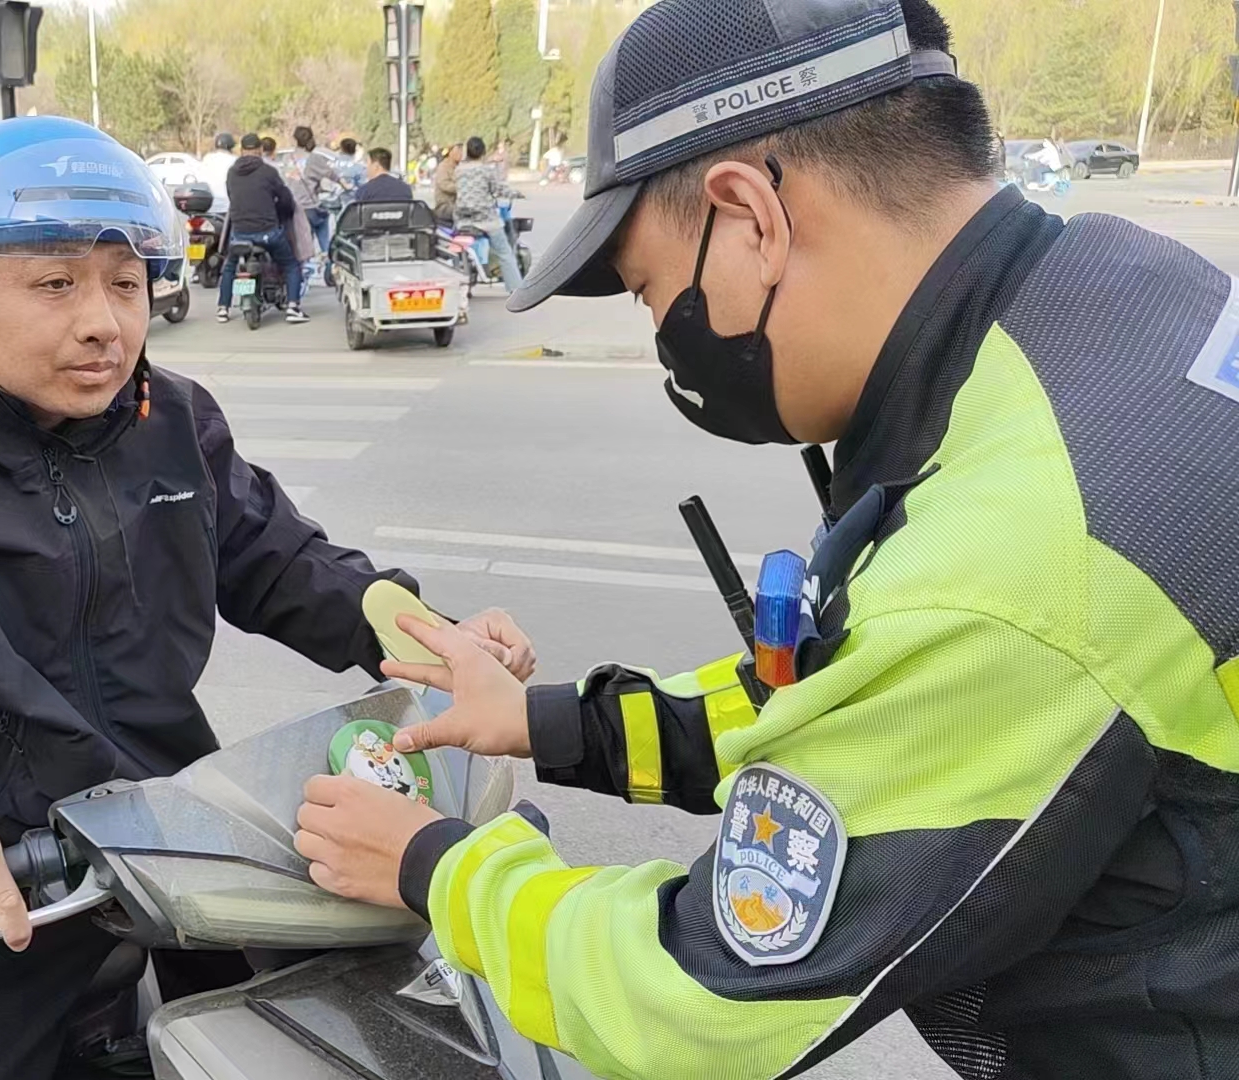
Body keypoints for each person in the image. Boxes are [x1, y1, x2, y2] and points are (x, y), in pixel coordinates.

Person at [293, 0, 1239, 1077]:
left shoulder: (1019, 561)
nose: (663, 335)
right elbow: (869, 699)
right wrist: (548, 723)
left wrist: (436, 868)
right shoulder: (1113, 291)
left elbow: (705, 1001)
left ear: (752, 216)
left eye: (653, 288)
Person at [0, 116, 526, 1080]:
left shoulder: (169, 421)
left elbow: (276, 555)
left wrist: (424, 634)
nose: (103, 322)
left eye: (126, 282)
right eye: (54, 282)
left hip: (177, 840)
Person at [219, 131, 306, 324]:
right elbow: (285, 199)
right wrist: (282, 212)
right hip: (268, 233)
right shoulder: (268, 172)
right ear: (259, 150)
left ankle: (223, 308)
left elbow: (232, 196)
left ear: (242, 151)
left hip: (240, 233)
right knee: (291, 264)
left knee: (230, 266)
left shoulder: (232, 173)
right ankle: (293, 307)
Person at [452, 136, 524, 289]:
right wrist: (518, 194)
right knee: (504, 252)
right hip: (486, 220)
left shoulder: (458, 171)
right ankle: (516, 289)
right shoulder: (486, 170)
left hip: (463, 220)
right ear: (483, 152)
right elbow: (499, 189)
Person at [277, 126, 349, 266]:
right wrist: (345, 185)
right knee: (323, 224)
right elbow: (331, 174)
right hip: (310, 207)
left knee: (298, 243)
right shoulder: (313, 158)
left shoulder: (287, 158)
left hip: (292, 208)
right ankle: (329, 260)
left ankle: (302, 266)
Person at [198, 131, 238, 216]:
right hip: (227, 207)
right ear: (229, 146)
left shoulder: (207, 158)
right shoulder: (234, 160)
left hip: (207, 206)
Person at [430, 143, 462, 222]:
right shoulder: (443, 167)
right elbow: (444, 185)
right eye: (458, 151)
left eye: (461, 151)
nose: (460, 154)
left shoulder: (461, 167)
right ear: (450, 152)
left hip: (459, 204)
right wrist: (462, 187)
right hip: (445, 206)